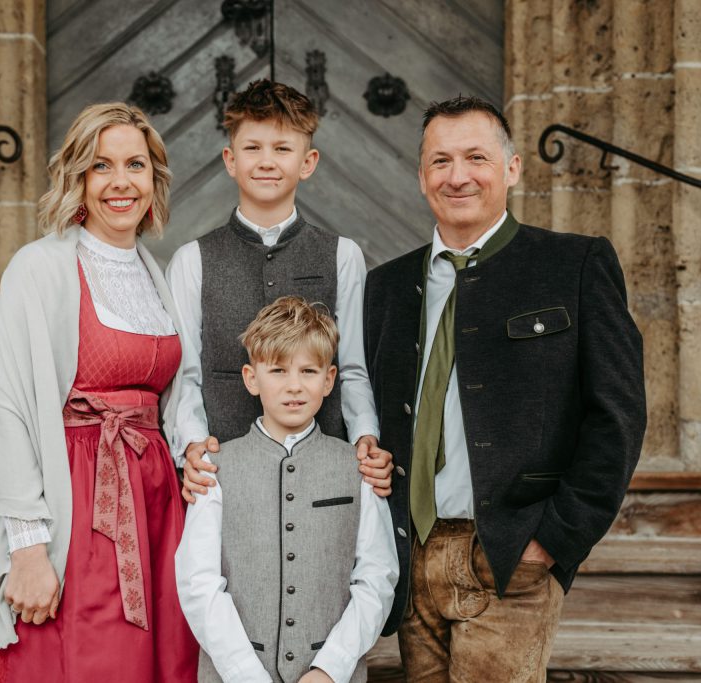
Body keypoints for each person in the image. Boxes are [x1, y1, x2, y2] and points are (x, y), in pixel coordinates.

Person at [363, 96, 647, 682]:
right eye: (440, 161)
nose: (457, 175)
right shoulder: (386, 286)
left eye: (476, 157)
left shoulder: (574, 264)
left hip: (511, 552)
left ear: (512, 168)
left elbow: (617, 415)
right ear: (421, 178)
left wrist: (555, 540)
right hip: (412, 557)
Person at [0, 102, 198, 682]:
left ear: (153, 178)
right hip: (78, 500)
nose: (120, 182)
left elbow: (174, 391)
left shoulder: (152, 270)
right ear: (78, 179)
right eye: (100, 166)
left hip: (154, 498)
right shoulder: (38, 268)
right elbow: (10, 411)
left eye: (135, 164)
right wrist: (29, 549)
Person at [166, 79, 393, 503]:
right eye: (252, 148)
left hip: (324, 478)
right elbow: (187, 377)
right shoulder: (191, 260)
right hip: (223, 477)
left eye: (282, 149)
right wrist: (193, 446)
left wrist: (365, 435)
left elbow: (354, 368)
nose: (266, 161)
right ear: (230, 160)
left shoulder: (342, 256)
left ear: (307, 162)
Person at [175, 296, 398, 683]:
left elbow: (376, 578)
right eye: (277, 370)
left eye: (309, 371)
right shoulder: (214, 469)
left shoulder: (358, 468)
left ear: (329, 380)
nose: (294, 386)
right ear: (251, 378)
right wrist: (246, 674)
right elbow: (199, 583)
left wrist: (330, 669)